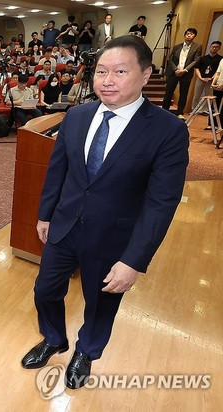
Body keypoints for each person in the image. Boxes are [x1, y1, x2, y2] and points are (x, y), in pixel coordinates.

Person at [20, 35, 189, 390]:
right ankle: (54, 338)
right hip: (64, 226)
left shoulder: (168, 130)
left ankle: (87, 351)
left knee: (100, 305)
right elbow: (58, 171)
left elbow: (162, 202)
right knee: (45, 290)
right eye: (100, 71)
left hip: (114, 236)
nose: (107, 80)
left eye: (120, 71)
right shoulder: (77, 115)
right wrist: (45, 214)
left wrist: (134, 261)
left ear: (145, 75)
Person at [162, 28, 202, 119]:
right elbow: (170, 59)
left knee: (183, 93)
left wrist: (185, 70)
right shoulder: (177, 46)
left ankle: (180, 112)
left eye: (191, 34)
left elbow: (196, 60)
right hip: (174, 72)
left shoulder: (197, 47)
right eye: (187, 33)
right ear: (184, 35)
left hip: (186, 73)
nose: (189, 35)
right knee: (168, 92)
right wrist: (176, 69)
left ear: (194, 36)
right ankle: (164, 110)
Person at [191, 41, 222, 113]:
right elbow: (197, 68)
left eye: (216, 47)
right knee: (196, 95)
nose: (214, 48)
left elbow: (219, 71)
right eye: (213, 46)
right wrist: (201, 77)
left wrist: (212, 78)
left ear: (219, 48)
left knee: (208, 96)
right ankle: (194, 109)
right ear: (210, 47)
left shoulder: (220, 59)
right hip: (201, 78)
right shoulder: (203, 58)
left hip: (212, 80)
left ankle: (205, 110)